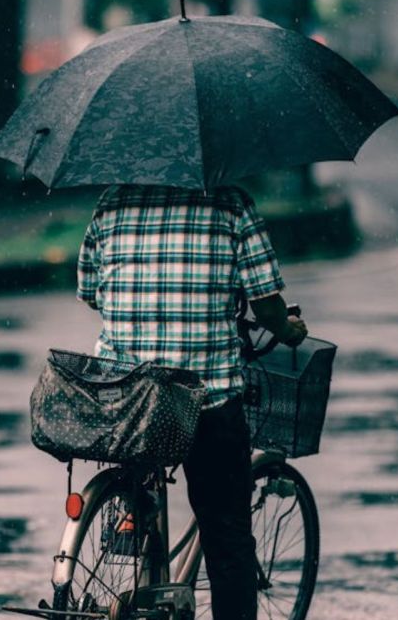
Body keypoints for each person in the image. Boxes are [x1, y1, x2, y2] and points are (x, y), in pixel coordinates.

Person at [77, 184, 307, 620]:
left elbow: (91, 293)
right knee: (228, 540)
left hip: (126, 398)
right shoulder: (231, 205)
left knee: (142, 481)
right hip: (207, 400)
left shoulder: (111, 202)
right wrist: (289, 329)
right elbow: (266, 306)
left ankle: (132, 521)